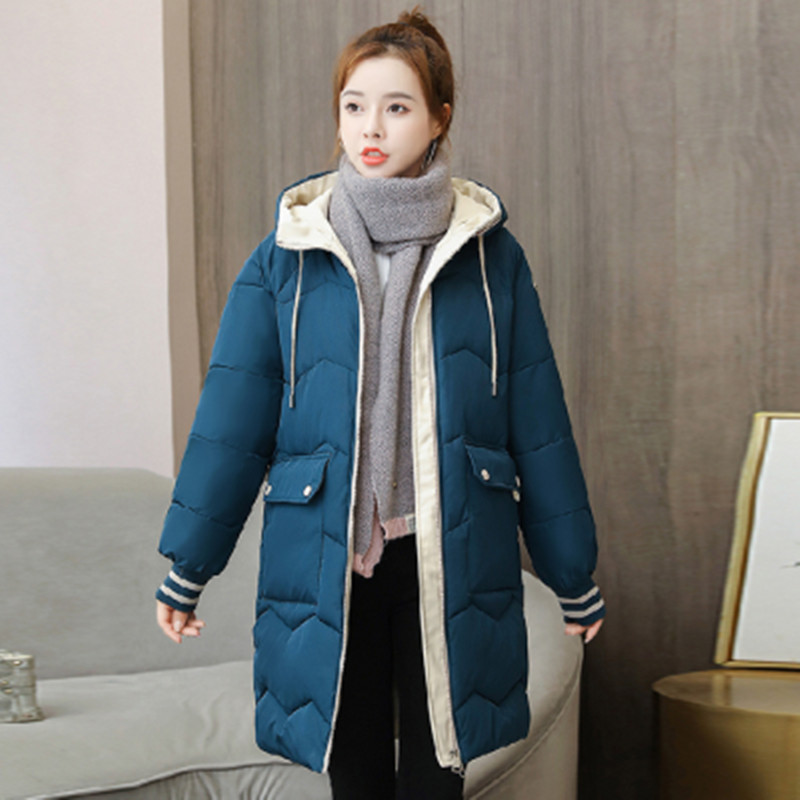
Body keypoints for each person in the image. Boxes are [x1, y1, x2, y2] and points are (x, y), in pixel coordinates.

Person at [155, 7, 605, 799]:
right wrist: (188, 569)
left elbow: (537, 423)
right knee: (354, 771)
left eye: (397, 106)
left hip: (451, 550)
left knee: (438, 774)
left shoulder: (490, 256)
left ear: (439, 118)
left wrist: (573, 574)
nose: (370, 127)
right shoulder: (288, 256)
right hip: (328, 553)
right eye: (354, 105)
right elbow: (233, 423)